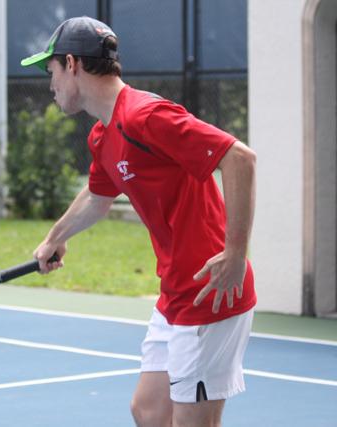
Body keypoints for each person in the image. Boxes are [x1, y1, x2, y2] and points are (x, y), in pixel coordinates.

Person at [21, 16, 256, 427]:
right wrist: (55, 237)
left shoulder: (146, 116)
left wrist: (235, 254)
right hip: (175, 292)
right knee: (148, 411)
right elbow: (98, 196)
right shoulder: (103, 134)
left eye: (51, 69)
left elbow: (239, 158)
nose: (50, 83)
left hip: (210, 292)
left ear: (72, 63)